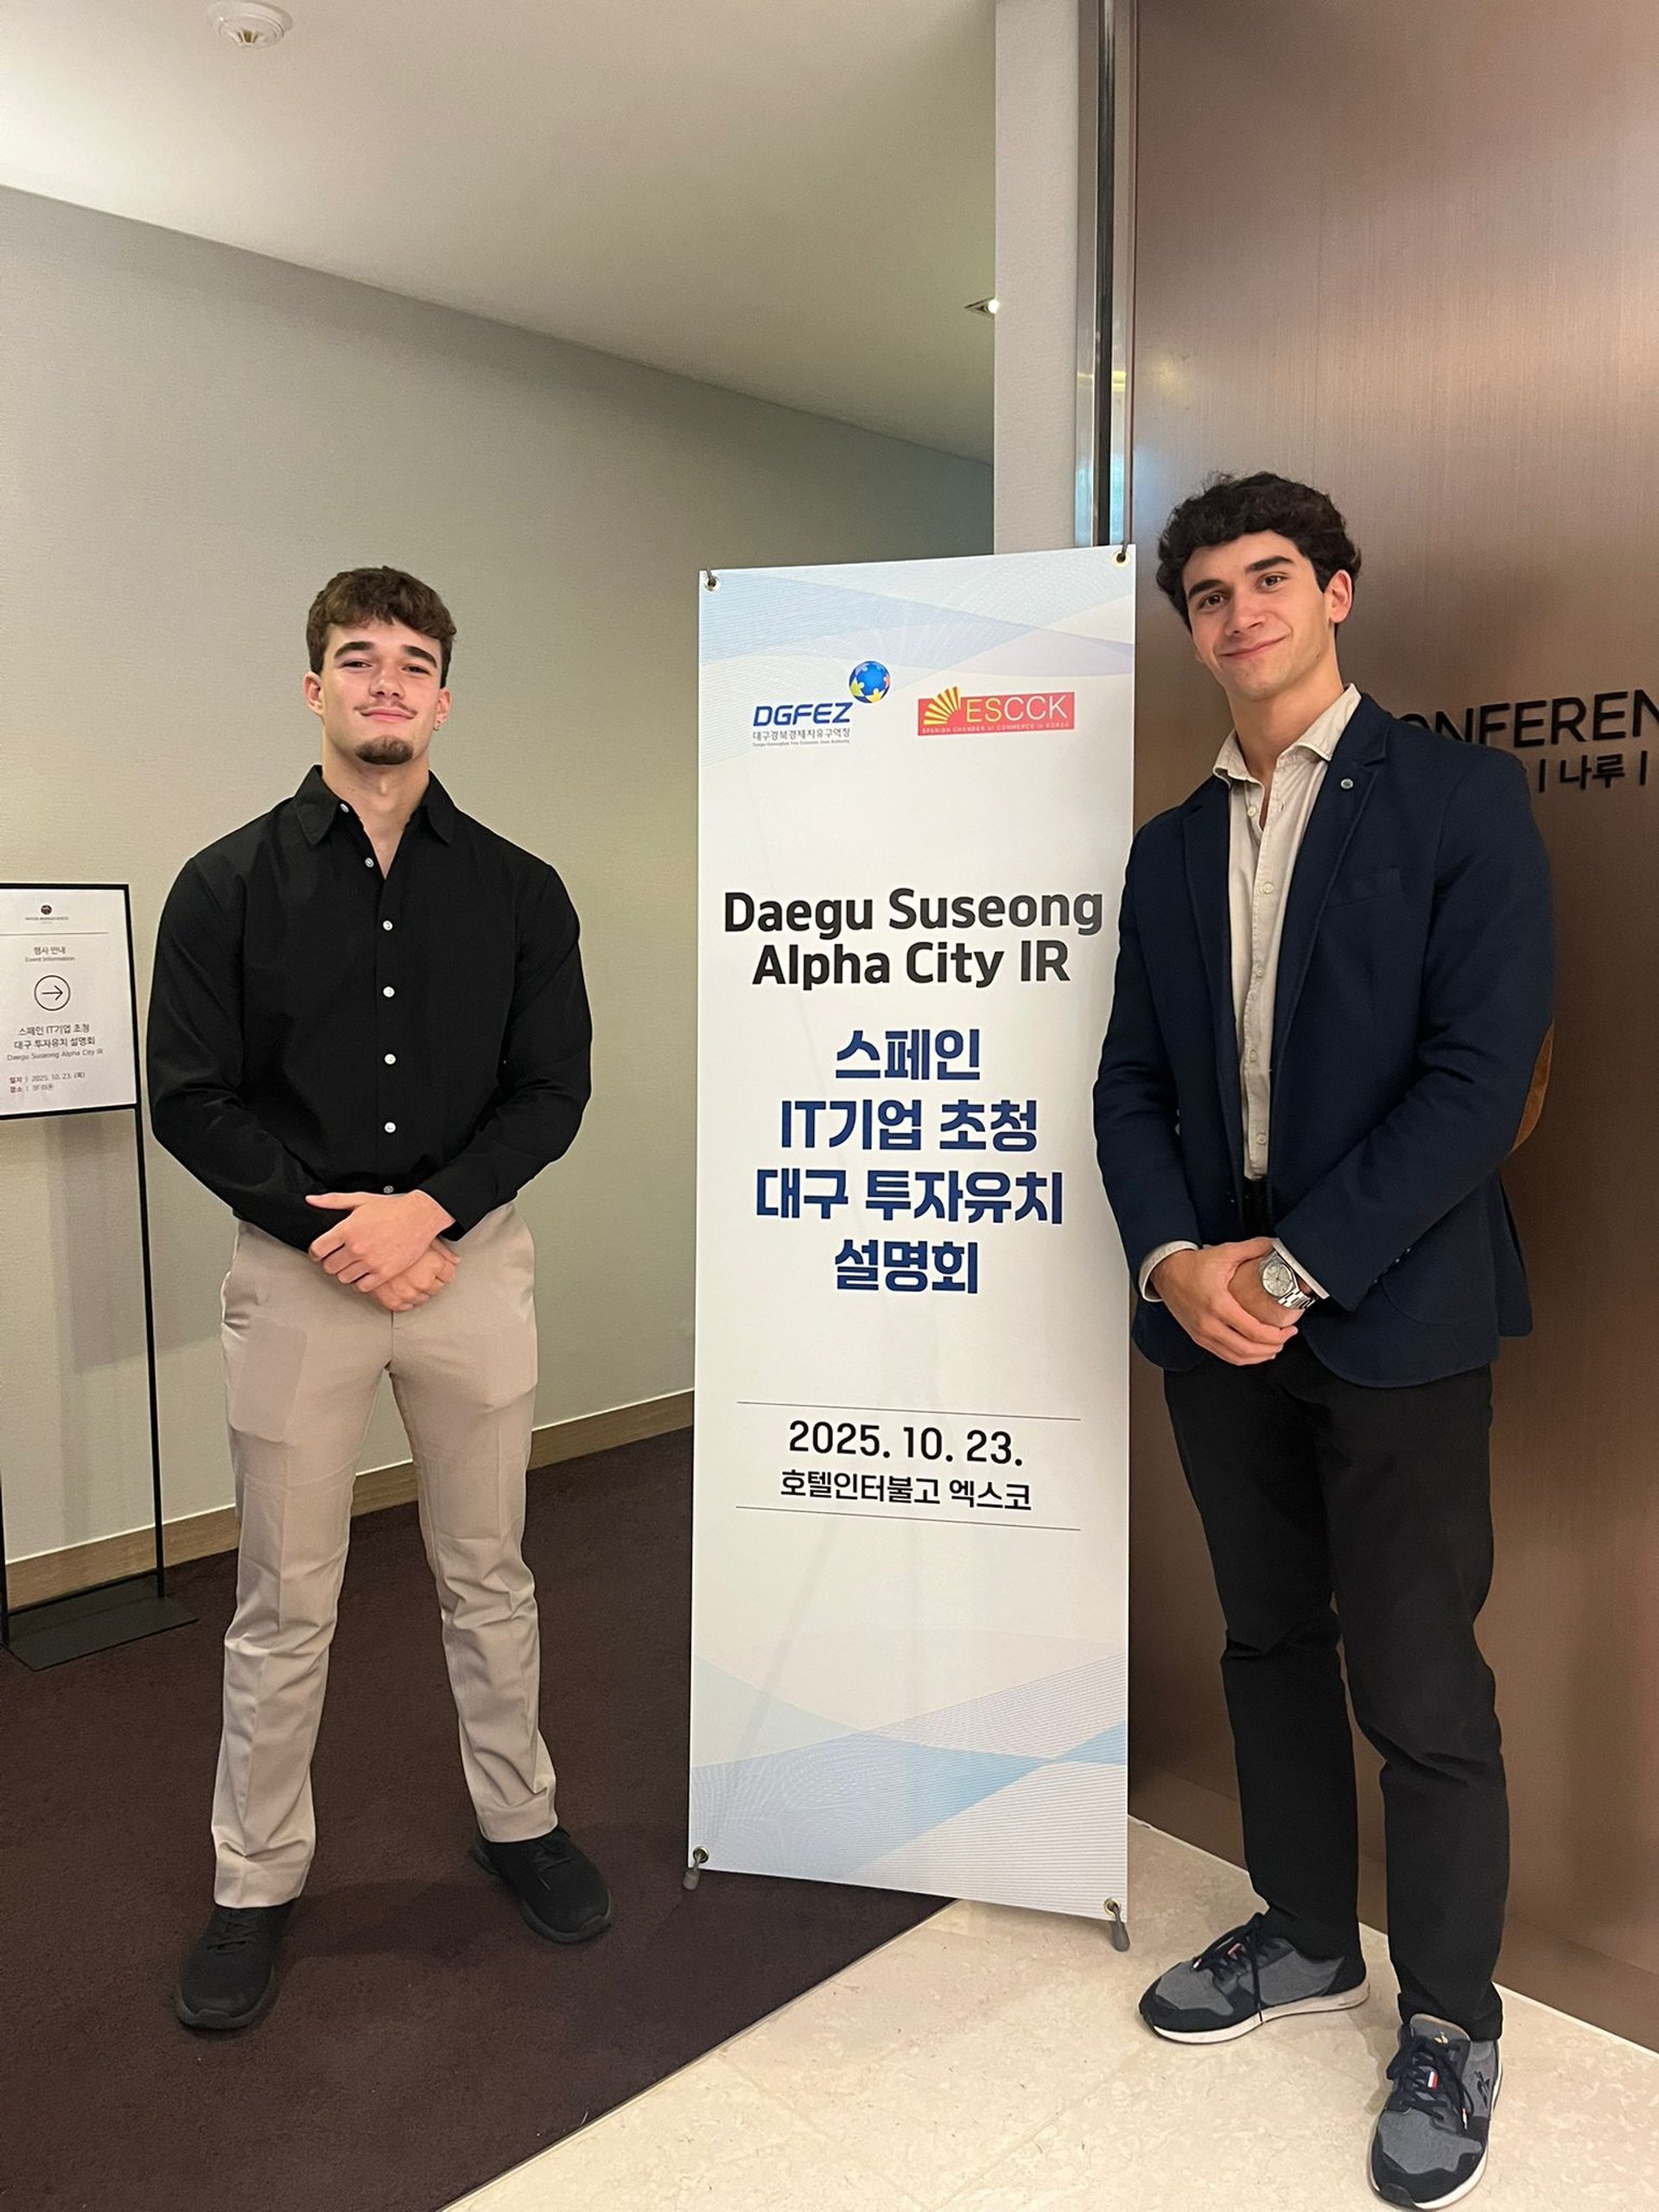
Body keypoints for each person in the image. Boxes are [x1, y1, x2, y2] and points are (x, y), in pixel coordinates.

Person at [1093, 474, 1553, 2208]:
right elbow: (1131, 1087)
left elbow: (1478, 1082)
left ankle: (1449, 2017)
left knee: (1423, 1683)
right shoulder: (1167, 850)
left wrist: (1290, 1268)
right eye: (1208, 594)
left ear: (1336, 591)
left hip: (1397, 1314)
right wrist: (1172, 1263)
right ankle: (1301, 1932)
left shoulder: (1456, 798)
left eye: (1270, 577)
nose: (1241, 613)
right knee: (1268, 1642)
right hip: (1217, 1325)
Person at [148, 566, 609, 2032]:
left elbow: (552, 1090)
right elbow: (190, 1097)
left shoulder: (520, 889)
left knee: (489, 1570)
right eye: (360, 658)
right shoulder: (225, 883)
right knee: (284, 1597)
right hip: (299, 1282)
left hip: (469, 1268)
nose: (388, 681)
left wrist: (429, 1212)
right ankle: (254, 1880)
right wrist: (335, 1230)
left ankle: (519, 1820)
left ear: (444, 699)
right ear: (316, 688)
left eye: (414, 661)